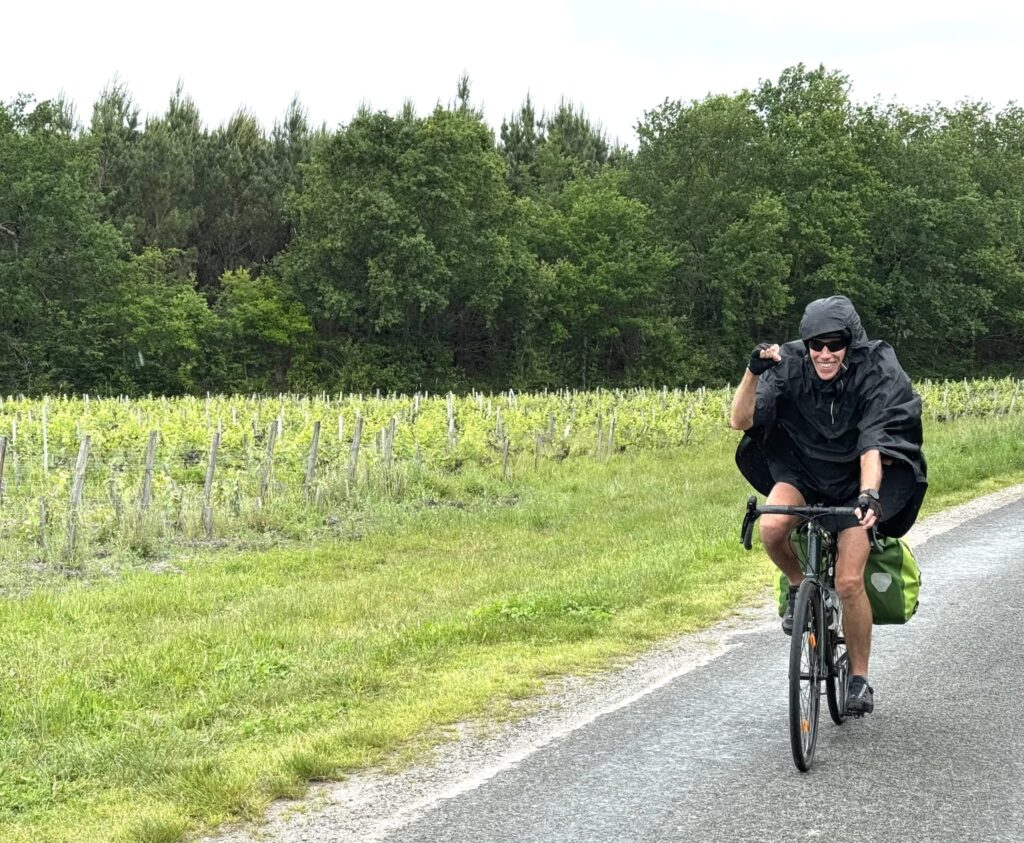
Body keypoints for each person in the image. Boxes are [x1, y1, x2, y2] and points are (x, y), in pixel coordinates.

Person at [729, 295, 927, 716]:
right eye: (815, 344)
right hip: (802, 471)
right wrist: (752, 372)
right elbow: (740, 421)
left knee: (850, 581)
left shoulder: (876, 367)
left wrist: (870, 494)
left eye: (834, 344)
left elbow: (876, 439)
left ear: (850, 342)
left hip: (857, 478)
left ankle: (858, 679)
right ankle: (800, 584)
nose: (824, 353)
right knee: (771, 528)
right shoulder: (790, 365)